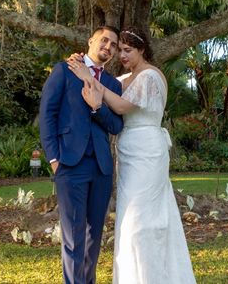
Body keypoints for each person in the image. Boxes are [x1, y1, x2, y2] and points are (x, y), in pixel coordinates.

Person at [67, 27, 196, 284]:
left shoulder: (149, 76)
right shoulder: (126, 78)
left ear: (142, 50)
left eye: (128, 50)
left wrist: (88, 77)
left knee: (145, 221)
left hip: (148, 151)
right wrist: (84, 66)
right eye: (120, 50)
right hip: (127, 153)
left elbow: (122, 106)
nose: (122, 55)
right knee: (129, 221)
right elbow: (104, 82)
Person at [39, 25, 125, 284]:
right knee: (73, 237)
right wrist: (54, 158)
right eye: (104, 40)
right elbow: (47, 115)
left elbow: (116, 125)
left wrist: (98, 107)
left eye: (113, 45)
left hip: (101, 167)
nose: (108, 47)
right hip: (70, 163)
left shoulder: (112, 84)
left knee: (93, 236)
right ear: (91, 40)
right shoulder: (64, 70)